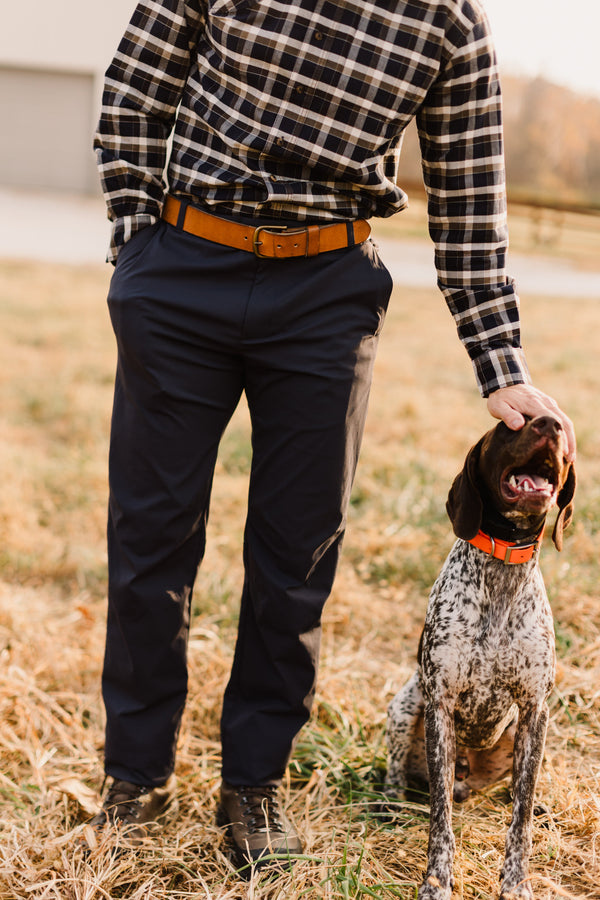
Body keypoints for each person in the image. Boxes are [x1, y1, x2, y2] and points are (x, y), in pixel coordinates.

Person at [91, 0, 576, 874]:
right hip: (185, 264)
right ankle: (135, 774)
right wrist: (136, 248)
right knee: (151, 535)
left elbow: (471, 213)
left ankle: (255, 784)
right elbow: (135, 87)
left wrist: (502, 365)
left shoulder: (449, 23)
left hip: (325, 292)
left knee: (298, 550)